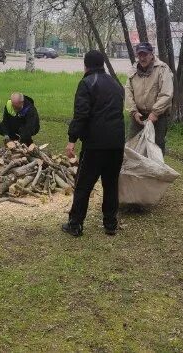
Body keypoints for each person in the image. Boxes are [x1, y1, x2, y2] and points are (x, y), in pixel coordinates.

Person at [62, 50, 125, 237]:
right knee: (111, 184)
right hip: (116, 143)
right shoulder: (115, 84)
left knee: (84, 185)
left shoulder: (87, 83)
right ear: (103, 64)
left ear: (86, 65)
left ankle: (75, 224)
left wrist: (72, 140)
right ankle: (111, 224)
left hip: (96, 144)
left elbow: (81, 114)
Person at [125, 42, 174, 153]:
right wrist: (133, 112)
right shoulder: (133, 70)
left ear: (151, 54)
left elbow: (167, 93)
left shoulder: (162, 69)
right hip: (138, 115)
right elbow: (128, 91)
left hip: (159, 115)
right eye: (140, 55)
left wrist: (155, 113)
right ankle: (133, 169)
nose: (142, 58)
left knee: (156, 146)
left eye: (145, 55)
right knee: (131, 144)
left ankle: (155, 169)